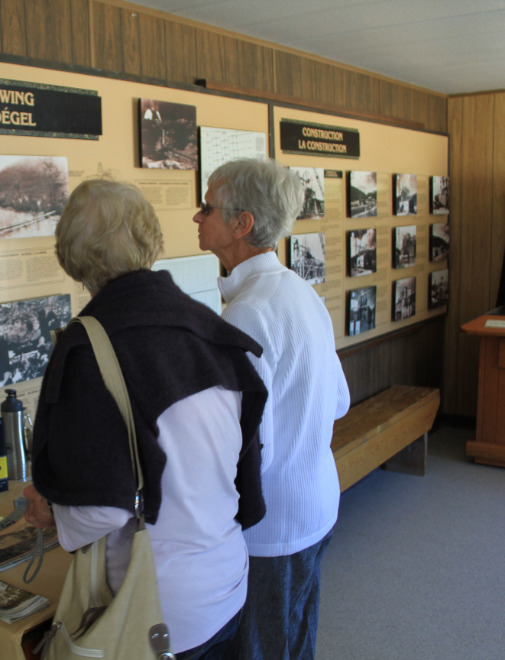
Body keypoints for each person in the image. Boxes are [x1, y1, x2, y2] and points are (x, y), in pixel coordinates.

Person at [24, 178, 269, 660]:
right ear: (151, 241)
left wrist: (49, 511)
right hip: (227, 580)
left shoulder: (89, 350)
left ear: (71, 257)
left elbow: (102, 510)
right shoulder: (205, 326)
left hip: (154, 611)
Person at [193, 158, 351, 660]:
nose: (197, 218)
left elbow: (243, 444)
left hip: (274, 527)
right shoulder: (298, 291)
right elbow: (340, 401)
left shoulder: (248, 312)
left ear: (242, 224)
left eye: (207, 207)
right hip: (316, 503)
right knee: (296, 638)